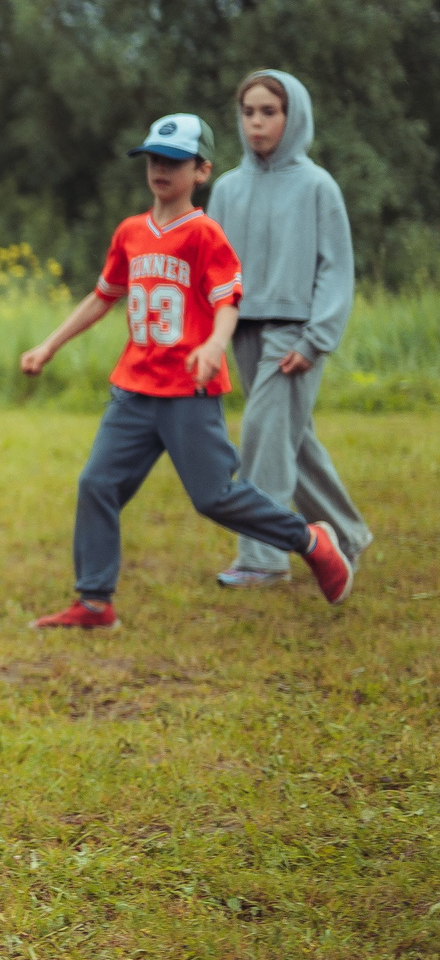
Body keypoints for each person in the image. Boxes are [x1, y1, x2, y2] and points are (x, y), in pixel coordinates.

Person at [19, 114, 353, 629]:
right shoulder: (130, 232)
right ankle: (94, 602)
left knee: (215, 497)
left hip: (187, 392)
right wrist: (48, 345)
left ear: (201, 171)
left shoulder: (205, 235)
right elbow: (102, 297)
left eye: (174, 161)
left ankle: (310, 539)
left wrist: (215, 345)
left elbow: (229, 302)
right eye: (154, 159)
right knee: (97, 484)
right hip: (134, 390)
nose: (161, 169)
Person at [205, 69, 373, 588]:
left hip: (296, 333)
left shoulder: (318, 186)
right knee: (290, 442)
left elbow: (335, 269)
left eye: (269, 112)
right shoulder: (229, 188)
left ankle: (263, 558)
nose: (256, 123)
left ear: (292, 115)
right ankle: (347, 535)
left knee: (261, 436)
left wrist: (316, 339)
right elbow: (213, 267)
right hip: (243, 330)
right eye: (248, 112)